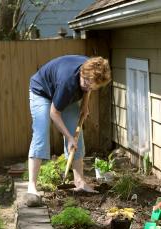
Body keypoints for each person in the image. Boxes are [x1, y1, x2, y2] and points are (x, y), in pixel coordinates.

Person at [27, 55, 111, 202]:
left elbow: (87, 87)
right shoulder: (68, 82)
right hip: (42, 91)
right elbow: (54, 113)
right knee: (42, 133)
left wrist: (85, 105)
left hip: (63, 92)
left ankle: (79, 182)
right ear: (82, 73)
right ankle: (32, 186)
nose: (87, 86)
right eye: (86, 82)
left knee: (76, 133)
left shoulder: (92, 70)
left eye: (92, 86)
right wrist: (69, 137)